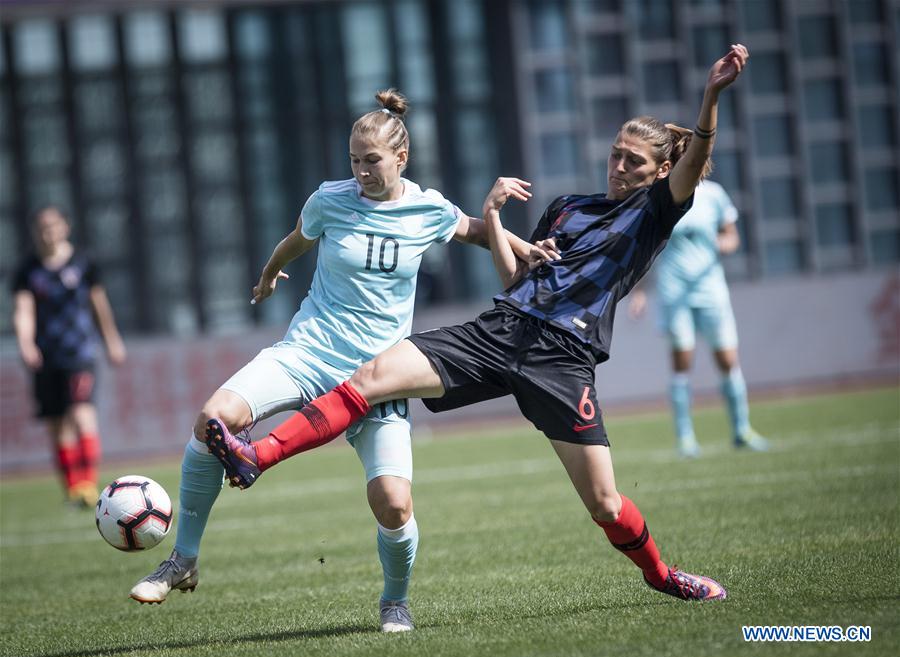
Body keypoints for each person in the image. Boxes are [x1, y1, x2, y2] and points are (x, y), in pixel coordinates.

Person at [209, 45, 750, 604]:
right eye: (615, 155)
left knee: (606, 505)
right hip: (501, 330)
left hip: (563, 359)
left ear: (661, 171)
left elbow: (695, 159)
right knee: (371, 376)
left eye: (633, 162)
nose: (618, 168)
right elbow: (516, 278)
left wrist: (711, 96)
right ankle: (257, 456)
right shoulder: (567, 208)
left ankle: (662, 575)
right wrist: (491, 215)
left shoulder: (656, 210)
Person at [129, 90, 548, 633]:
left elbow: (472, 229)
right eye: (354, 160)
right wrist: (268, 272)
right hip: (308, 351)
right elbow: (297, 241)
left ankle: (394, 601)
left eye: (371, 161)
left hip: (380, 375)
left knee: (394, 504)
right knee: (214, 418)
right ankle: (182, 560)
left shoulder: (427, 207)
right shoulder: (331, 199)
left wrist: (526, 247)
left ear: (401, 159)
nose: (361, 171)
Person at [628, 180, 769, 457]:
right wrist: (640, 291)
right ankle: (686, 439)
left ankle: (742, 430)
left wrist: (720, 244)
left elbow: (732, 236)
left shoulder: (714, 194)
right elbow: (649, 248)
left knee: (727, 360)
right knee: (682, 362)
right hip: (674, 291)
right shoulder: (662, 197)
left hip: (710, 290)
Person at [11, 206, 127, 507]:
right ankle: (73, 489)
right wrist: (25, 343)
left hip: (79, 353)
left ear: (65, 227)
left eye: (53, 225)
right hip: (46, 356)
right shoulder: (27, 270)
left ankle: (88, 483)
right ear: (36, 232)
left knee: (81, 413)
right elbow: (23, 310)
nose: (48, 232)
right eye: (42, 227)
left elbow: (99, 305)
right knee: (57, 423)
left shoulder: (83, 262)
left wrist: (112, 340)